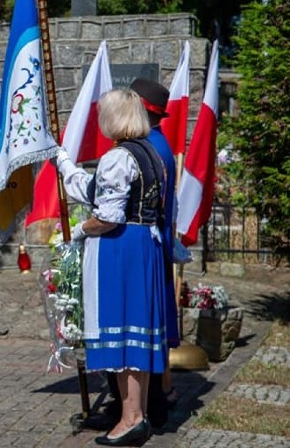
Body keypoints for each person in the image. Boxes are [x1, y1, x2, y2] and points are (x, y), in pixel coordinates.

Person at [54, 89, 167, 446]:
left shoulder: (118, 157)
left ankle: (131, 418)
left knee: (124, 336)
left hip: (122, 251)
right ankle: (139, 414)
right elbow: (95, 190)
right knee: (137, 337)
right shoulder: (149, 153)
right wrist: (63, 162)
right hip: (143, 246)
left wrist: (76, 232)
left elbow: (108, 215)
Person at [130, 78, 180, 418]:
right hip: (154, 244)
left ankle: (149, 402)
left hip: (145, 246)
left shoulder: (150, 149)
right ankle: (159, 394)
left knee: (146, 327)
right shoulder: (155, 144)